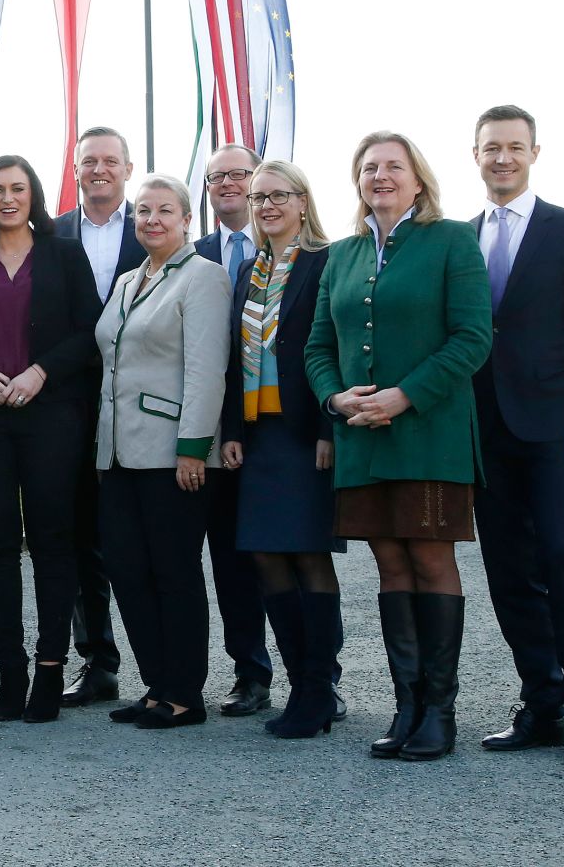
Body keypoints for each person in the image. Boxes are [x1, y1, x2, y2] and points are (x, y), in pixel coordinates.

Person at [305, 131, 492, 762]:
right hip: (361, 438)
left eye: (393, 166)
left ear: (418, 179)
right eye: (368, 168)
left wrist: (403, 396)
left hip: (429, 434)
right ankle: (406, 705)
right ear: (357, 181)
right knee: (389, 568)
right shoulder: (343, 253)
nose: (380, 176)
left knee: (431, 562)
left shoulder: (451, 240)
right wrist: (337, 400)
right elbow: (317, 348)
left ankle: (440, 712)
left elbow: (472, 339)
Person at [467, 105, 564, 760]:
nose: (502, 157)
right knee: (507, 568)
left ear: (534, 152)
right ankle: (542, 702)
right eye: (490, 147)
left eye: (513, 147)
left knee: (561, 553)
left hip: (556, 423)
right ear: (475, 154)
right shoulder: (460, 235)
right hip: (483, 426)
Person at [0, 156, 101, 723]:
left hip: (50, 413)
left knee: (53, 540)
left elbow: (89, 329)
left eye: (17, 188)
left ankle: (51, 667)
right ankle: (10, 667)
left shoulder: (64, 255)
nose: (7, 198)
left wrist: (41, 372)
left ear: (33, 195)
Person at [94, 175, 232, 731]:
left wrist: (194, 447)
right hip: (118, 453)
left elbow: (205, 369)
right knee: (128, 571)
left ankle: (183, 692)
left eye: (165, 211)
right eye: (144, 211)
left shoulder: (204, 278)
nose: (152, 220)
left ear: (186, 220)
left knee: (173, 571)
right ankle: (155, 684)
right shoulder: (128, 281)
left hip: (173, 451)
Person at [218, 161, 343, 739]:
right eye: (259, 196)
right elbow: (230, 356)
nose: (266, 205)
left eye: (278, 196)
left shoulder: (326, 262)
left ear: (302, 201)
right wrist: (233, 432)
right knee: (266, 557)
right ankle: (299, 681)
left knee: (310, 557)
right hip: (259, 435)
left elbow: (332, 349)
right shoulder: (248, 269)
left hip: (304, 434)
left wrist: (329, 428)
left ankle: (321, 686)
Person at [52, 126, 147, 709]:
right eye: (89, 161)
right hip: (65, 404)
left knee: (137, 537)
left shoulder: (152, 225)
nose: (100, 170)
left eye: (110, 160)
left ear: (127, 168)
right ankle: (98, 661)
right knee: (76, 534)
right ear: (76, 168)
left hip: (139, 405)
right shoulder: (51, 231)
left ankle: (168, 666)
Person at [192, 145, 277, 717]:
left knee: (292, 554)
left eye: (238, 175)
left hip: (274, 428)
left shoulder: (295, 250)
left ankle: (321, 675)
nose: (227, 184)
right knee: (229, 559)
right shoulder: (193, 253)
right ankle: (250, 672)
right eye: (216, 177)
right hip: (213, 427)